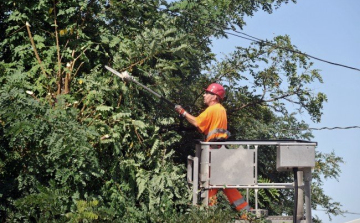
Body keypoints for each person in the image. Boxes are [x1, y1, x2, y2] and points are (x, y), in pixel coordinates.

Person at [175, 83, 251, 212]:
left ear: (214, 97)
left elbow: (197, 122)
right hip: (218, 149)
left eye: (207, 93)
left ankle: (210, 212)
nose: (204, 95)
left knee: (211, 182)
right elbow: (201, 127)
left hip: (213, 150)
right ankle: (245, 212)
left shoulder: (213, 109)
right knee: (221, 182)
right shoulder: (220, 110)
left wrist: (183, 112)